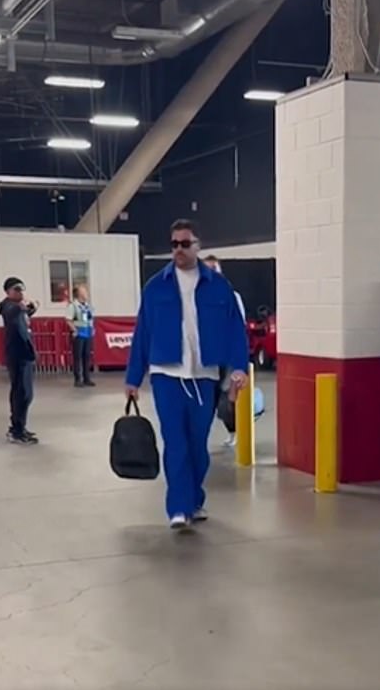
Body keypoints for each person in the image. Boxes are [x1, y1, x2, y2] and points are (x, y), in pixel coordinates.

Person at [125, 219, 249, 530]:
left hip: (204, 377)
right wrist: (132, 378)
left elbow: (236, 331)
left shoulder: (219, 287)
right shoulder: (156, 287)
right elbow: (143, 333)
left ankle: (194, 499)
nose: (178, 249)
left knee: (198, 445)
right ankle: (178, 508)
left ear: (198, 246)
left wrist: (239, 367)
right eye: (174, 244)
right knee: (175, 442)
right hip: (166, 375)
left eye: (185, 243)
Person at [203, 255, 246, 447]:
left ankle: (235, 432)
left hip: (226, 357)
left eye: (214, 268)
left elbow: (239, 327)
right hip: (204, 359)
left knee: (229, 399)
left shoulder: (232, 296)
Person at [0, 278, 39, 445]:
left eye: (22, 289)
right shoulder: (9, 306)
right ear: (8, 291)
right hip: (17, 356)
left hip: (25, 355)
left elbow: (27, 311)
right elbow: (13, 311)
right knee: (21, 393)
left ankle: (20, 426)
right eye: (16, 290)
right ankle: (16, 430)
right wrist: (23, 307)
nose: (20, 293)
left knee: (27, 394)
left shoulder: (19, 308)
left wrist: (31, 307)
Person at [66, 284, 96, 388]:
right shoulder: (73, 306)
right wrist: (74, 330)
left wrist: (92, 328)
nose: (86, 293)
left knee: (87, 356)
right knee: (77, 357)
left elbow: (90, 318)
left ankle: (87, 378)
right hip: (78, 333)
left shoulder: (87, 306)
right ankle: (77, 379)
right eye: (84, 291)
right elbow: (68, 320)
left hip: (87, 333)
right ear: (78, 294)